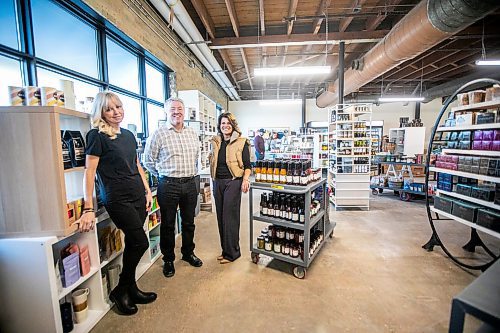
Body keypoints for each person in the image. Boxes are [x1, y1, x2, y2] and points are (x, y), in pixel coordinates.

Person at [77, 91, 157, 316]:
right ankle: (121, 289)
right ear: (101, 113)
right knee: (141, 242)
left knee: (133, 242)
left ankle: (131, 288)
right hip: (116, 198)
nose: (116, 112)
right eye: (109, 109)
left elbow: (137, 165)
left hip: (137, 195)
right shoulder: (96, 136)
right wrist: (88, 208)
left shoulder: (129, 135)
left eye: (118, 107)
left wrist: (147, 190)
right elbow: (89, 172)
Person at [143, 97, 203, 278]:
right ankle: (168, 259)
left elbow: (195, 157)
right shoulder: (159, 134)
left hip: (190, 182)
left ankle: (187, 253)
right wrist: (163, 174)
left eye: (179, 108)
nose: (176, 112)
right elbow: (148, 161)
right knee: (168, 224)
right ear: (166, 112)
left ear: (184, 111)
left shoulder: (192, 133)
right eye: (172, 109)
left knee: (189, 222)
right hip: (168, 184)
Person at [209, 112, 251, 264]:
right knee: (221, 217)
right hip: (217, 181)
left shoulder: (242, 142)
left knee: (230, 217)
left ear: (233, 125)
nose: (225, 126)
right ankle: (225, 250)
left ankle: (233, 253)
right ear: (219, 126)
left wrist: (245, 180)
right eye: (222, 123)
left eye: (228, 123)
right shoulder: (216, 142)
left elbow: (248, 166)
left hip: (233, 181)